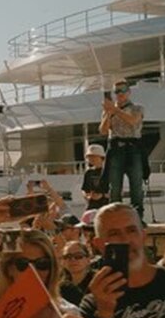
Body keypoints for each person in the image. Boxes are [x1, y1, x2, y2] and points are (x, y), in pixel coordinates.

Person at [99, 79, 145, 217]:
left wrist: (114, 110)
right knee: (115, 187)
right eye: (116, 91)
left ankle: (138, 217)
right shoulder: (109, 111)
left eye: (123, 91)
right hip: (116, 150)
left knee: (136, 186)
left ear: (129, 92)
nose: (120, 94)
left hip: (133, 149)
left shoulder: (138, 108)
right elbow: (103, 130)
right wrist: (108, 114)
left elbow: (133, 121)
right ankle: (115, 217)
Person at [60, 241, 96, 306]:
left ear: (88, 260)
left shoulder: (97, 281)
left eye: (78, 256)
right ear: (63, 262)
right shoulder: (60, 286)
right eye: (68, 256)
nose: (73, 259)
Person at [81, 144, 109, 211]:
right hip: (92, 205)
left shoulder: (109, 171)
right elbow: (84, 189)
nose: (91, 159)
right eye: (89, 157)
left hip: (107, 205)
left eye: (94, 157)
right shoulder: (88, 172)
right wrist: (87, 196)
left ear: (101, 157)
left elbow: (117, 190)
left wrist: (102, 195)